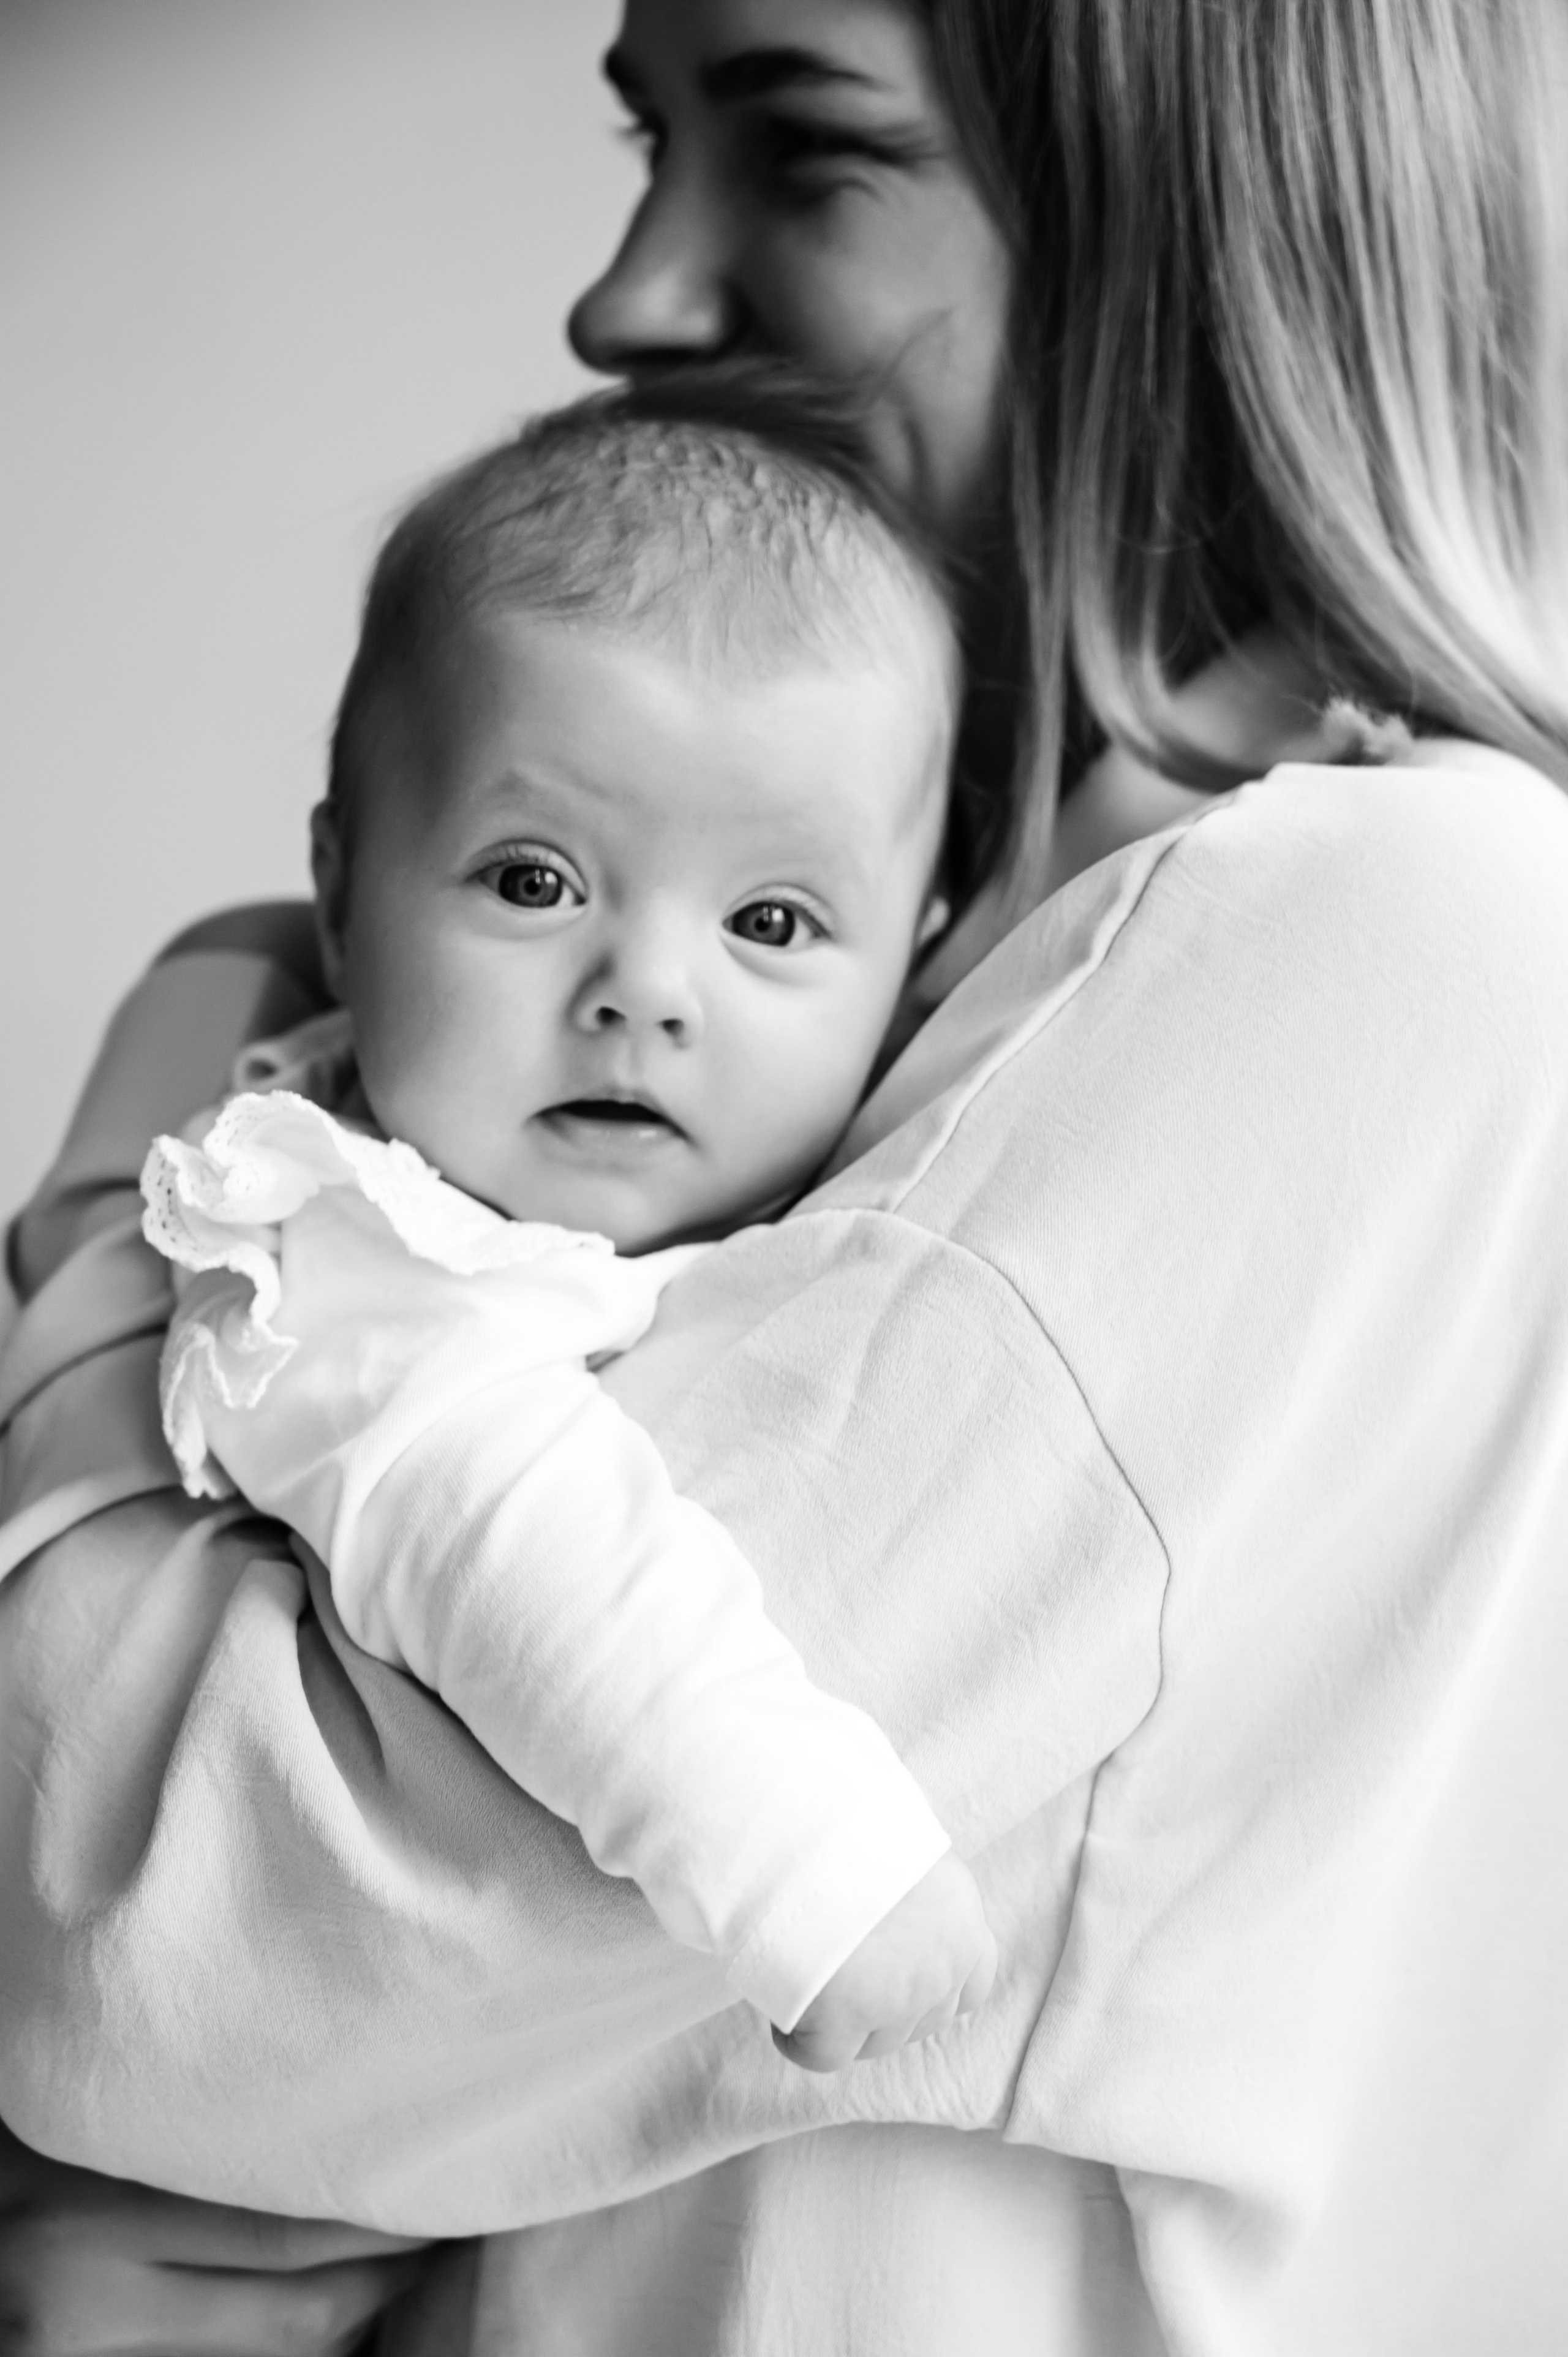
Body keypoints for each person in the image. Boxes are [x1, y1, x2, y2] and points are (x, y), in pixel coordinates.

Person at [3, 0, 1567, 2351]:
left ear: (1193, 221)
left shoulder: (1365, 939)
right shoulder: (920, 976)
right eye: (645, 139)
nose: (624, 294)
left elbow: (139, 1947)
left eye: (807, 148)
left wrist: (144, 1177)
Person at [139, 393, 994, 2072]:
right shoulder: (359, 1254)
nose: (644, 992)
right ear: (341, 897)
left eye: (771, 920)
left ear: (922, 962)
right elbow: (507, 1530)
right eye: (534, 880)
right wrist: (808, 1863)